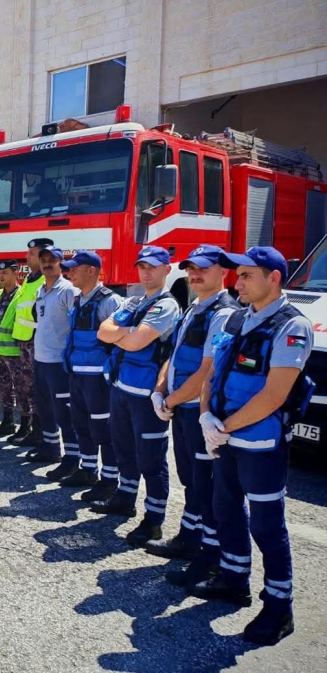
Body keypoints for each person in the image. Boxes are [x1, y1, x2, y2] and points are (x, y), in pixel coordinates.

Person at [190, 246, 313, 646]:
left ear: (273, 278)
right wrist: (207, 414)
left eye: (246, 276)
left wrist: (222, 426)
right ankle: (233, 578)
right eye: (238, 275)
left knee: (267, 525)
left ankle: (279, 608)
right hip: (224, 435)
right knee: (225, 508)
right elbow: (213, 371)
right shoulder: (239, 317)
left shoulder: (292, 326)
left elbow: (275, 394)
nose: (238, 282)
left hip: (259, 443)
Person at [150, 246, 237, 576]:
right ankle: (189, 537)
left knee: (206, 484)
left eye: (203, 268)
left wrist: (169, 401)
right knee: (191, 479)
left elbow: (207, 372)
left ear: (222, 272)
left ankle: (210, 554)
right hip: (180, 408)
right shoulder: (194, 308)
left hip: (197, 411)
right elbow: (172, 356)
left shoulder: (223, 313)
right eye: (190, 268)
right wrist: (160, 389)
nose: (195, 274)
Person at [91, 246, 181, 548]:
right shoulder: (134, 301)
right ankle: (125, 498)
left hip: (147, 394)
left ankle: (153, 521)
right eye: (142, 266)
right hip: (122, 388)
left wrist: (124, 333)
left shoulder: (166, 305)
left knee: (151, 459)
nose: (146, 272)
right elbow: (103, 331)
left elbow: (137, 342)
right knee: (124, 449)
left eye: (153, 267)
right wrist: (125, 333)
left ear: (167, 270)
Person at [61, 250, 123, 497]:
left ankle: (109, 480)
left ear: (92, 271)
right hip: (77, 375)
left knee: (104, 430)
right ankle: (88, 469)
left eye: (75, 268)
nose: (70, 272)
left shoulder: (110, 301)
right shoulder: (79, 299)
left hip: (98, 380)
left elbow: (120, 341)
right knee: (81, 425)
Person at [26, 246, 80, 475]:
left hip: (59, 362)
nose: (48, 264)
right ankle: (50, 447)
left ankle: (72, 457)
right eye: (44, 260)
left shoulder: (68, 290)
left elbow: (76, 325)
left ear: (61, 263)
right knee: (45, 408)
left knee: (65, 412)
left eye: (53, 260)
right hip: (40, 359)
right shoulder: (41, 290)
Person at [7, 238, 49, 444]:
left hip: (36, 343)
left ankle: (40, 432)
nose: (27, 256)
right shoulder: (30, 279)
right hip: (23, 342)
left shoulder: (44, 281)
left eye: (32, 253)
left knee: (36, 389)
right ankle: (27, 427)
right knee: (24, 387)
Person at [0, 259, 22, 436]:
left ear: (16, 273)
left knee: (21, 390)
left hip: (15, 352)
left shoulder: (21, 295)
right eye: (0, 273)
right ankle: (7, 421)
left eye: (5, 273)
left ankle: (25, 425)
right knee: (3, 389)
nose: (1, 276)